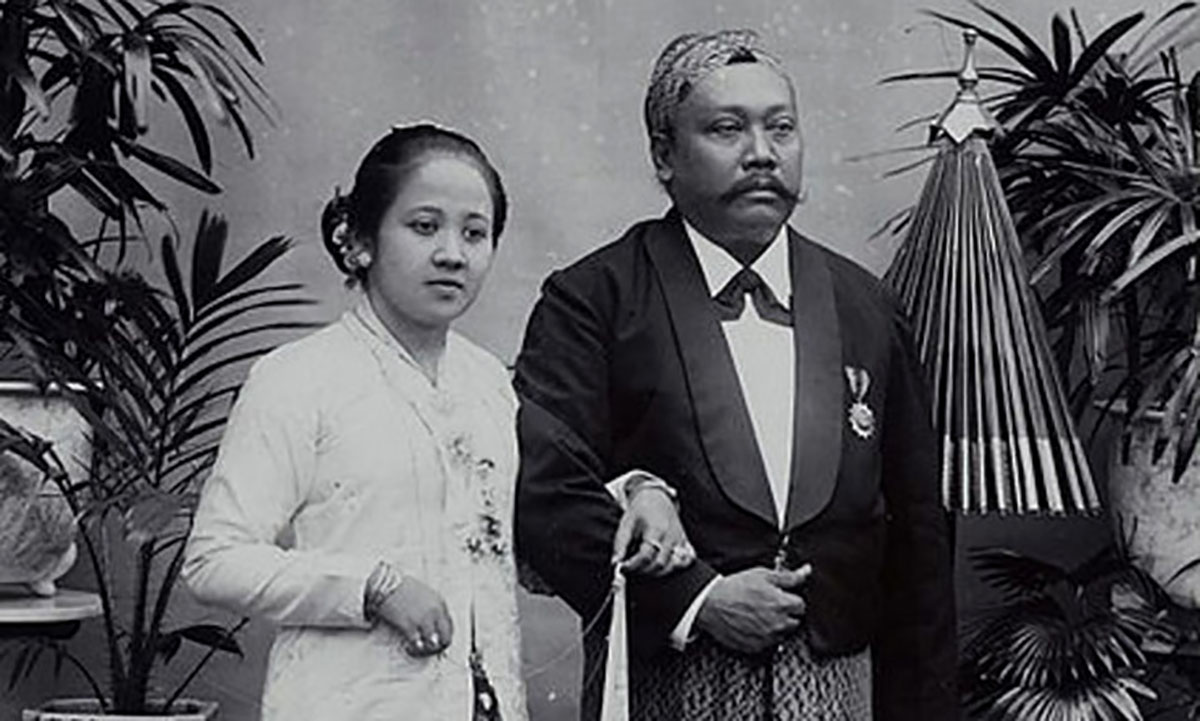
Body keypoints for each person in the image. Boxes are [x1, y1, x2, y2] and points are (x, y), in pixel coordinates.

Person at [514, 30, 959, 721]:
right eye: (727, 129)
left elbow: (918, 536)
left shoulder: (866, 306)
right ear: (664, 155)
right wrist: (698, 598)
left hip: (841, 690)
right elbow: (548, 493)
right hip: (668, 685)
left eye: (781, 128)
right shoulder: (594, 299)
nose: (762, 153)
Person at [184, 124, 537, 721]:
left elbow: (521, 526)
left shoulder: (489, 384)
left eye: (475, 233)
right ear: (362, 242)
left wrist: (634, 495)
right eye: (424, 226)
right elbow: (214, 560)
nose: (452, 253)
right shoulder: (299, 378)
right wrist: (371, 587)